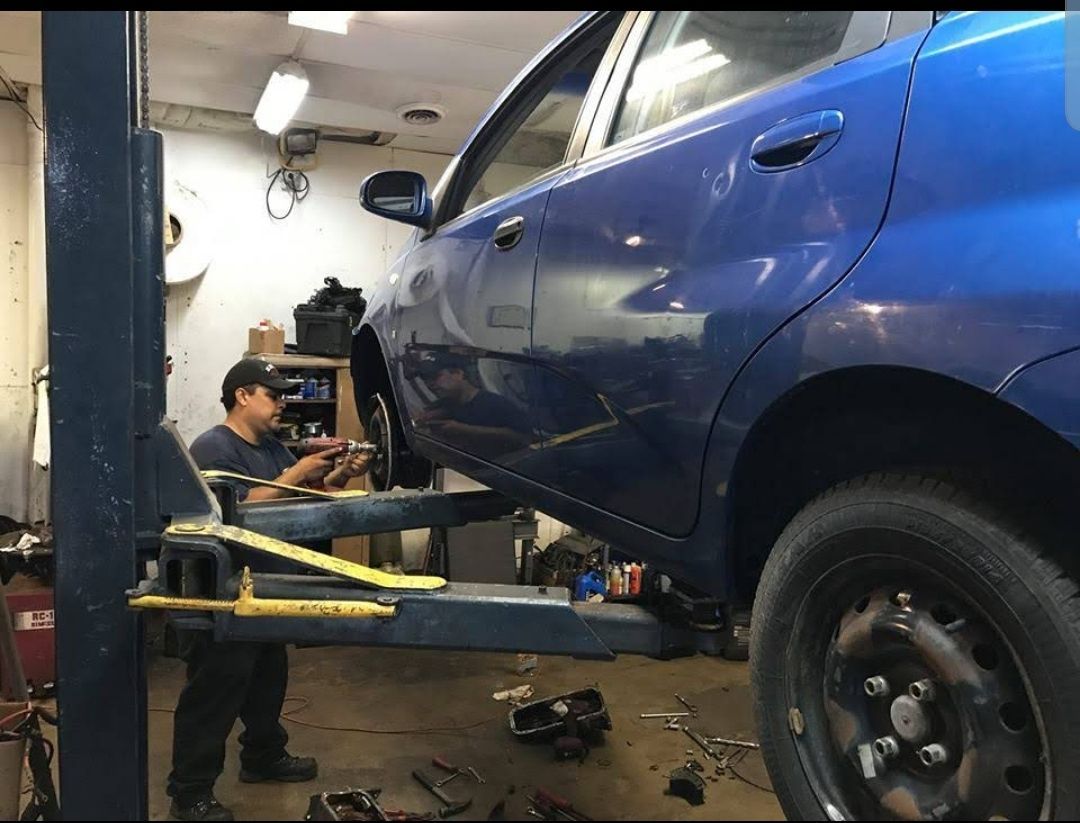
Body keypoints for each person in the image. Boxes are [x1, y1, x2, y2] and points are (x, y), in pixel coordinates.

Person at [167, 359, 370, 822]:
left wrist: (341, 473)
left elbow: (300, 496)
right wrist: (298, 470)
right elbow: (235, 507)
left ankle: (262, 757)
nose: (282, 403)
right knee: (213, 695)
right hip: (224, 596)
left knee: (267, 684)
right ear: (242, 395)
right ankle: (190, 793)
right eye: (273, 394)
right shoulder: (214, 448)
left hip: (264, 591)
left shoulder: (271, 447)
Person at [412, 353, 533, 455]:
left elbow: (524, 438)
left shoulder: (495, 403)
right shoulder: (443, 405)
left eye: (435, 376)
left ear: (458, 373)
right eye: (425, 379)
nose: (429, 384)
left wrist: (465, 429)